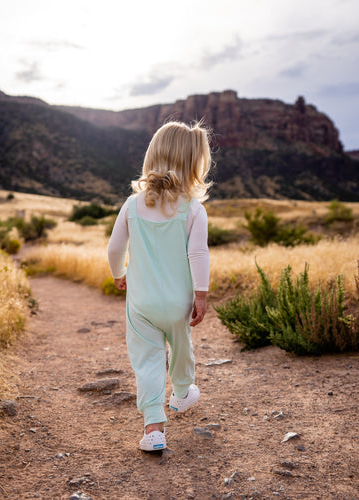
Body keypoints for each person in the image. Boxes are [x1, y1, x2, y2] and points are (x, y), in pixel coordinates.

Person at [107, 121, 212, 451]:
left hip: (141, 304)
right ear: (194, 163)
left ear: (153, 156)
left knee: (148, 361)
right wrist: (201, 293)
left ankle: (153, 429)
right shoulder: (193, 210)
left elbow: (114, 249)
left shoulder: (132, 205)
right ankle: (182, 394)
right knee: (181, 346)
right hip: (178, 301)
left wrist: (117, 274)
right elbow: (198, 253)